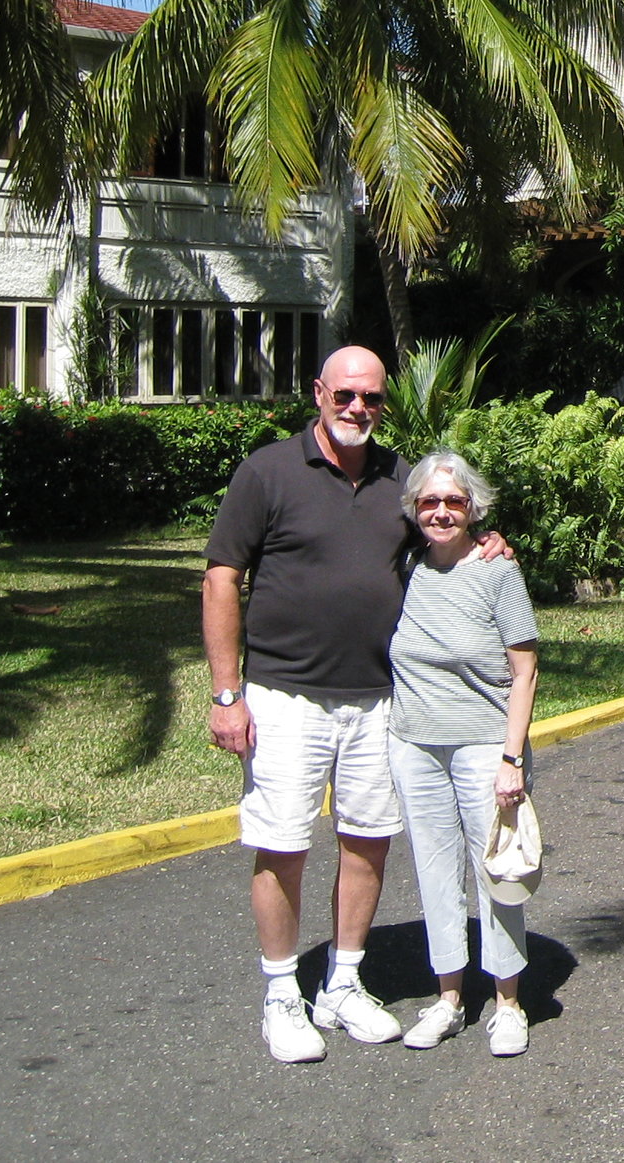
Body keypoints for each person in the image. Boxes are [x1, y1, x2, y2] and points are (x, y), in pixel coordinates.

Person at [202, 345, 509, 1064]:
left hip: (379, 700)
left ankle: (342, 982)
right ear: (319, 393)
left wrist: (488, 539)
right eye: (345, 395)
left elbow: (444, 530)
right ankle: (282, 993)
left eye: (371, 398)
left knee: (368, 838)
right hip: (283, 696)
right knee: (282, 844)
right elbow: (222, 577)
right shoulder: (268, 471)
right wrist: (227, 694)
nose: (358, 409)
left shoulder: (399, 478)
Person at [387, 449, 540, 1058]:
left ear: (473, 507)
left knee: (497, 873)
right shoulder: (407, 567)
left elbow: (524, 671)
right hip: (414, 744)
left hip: (484, 745)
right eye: (430, 501)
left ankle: (508, 1002)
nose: (442, 511)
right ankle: (449, 997)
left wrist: (512, 759)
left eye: (454, 501)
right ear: (414, 509)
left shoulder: (498, 570)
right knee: (433, 869)